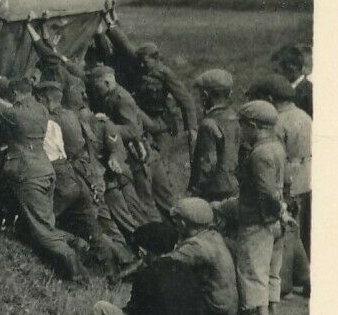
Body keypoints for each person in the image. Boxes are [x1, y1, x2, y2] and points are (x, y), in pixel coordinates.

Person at [0, 73, 82, 281]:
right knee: (43, 222)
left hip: (28, 174)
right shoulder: (40, 109)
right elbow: (6, 108)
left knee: (43, 232)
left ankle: (78, 273)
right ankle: (75, 242)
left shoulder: (18, 115)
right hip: (45, 170)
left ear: (16, 93)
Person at [49, 220, 205, 315]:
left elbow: (133, 313)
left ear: (143, 251)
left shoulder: (147, 274)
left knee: (101, 308)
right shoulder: (186, 270)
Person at [34, 79, 129, 274]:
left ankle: (123, 260)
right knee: (97, 224)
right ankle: (119, 262)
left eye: (38, 99)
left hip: (79, 175)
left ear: (46, 100)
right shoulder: (72, 115)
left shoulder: (53, 119)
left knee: (96, 223)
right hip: (90, 173)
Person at [106, 30, 197, 211]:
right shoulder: (140, 66)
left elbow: (186, 100)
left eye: (145, 61)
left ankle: (169, 205)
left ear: (155, 59)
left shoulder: (164, 73)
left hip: (161, 125)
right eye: (140, 61)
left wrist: (191, 128)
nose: (142, 65)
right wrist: (110, 27)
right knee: (143, 161)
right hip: (142, 122)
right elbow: (125, 45)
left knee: (161, 165)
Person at [223, 100, 290, 315]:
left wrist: (276, 212)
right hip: (275, 219)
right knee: (272, 269)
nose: (241, 130)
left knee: (253, 267)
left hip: (258, 219)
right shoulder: (277, 146)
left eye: (243, 125)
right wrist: (282, 212)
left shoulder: (260, 153)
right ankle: (273, 313)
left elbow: (266, 192)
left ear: (253, 125)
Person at [251, 73, 312, 295]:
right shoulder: (303, 116)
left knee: (285, 231)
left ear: (270, 98)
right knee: (299, 229)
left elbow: (275, 156)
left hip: (289, 179)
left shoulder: (277, 122)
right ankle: (304, 274)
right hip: (307, 176)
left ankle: (285, 280)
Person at [85, 64, 162, 225]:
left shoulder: (122, 99)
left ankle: (157, 232)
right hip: (123, 153)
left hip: (134, 155)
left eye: (97, 87)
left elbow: (132, 130)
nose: (95, 91)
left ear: (107, 83)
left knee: (144, 200)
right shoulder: (110, 95)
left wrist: (106, 126)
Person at [167, 197, 239, 315]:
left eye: (176, 223)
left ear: (183, 223)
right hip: (226, 309)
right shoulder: (213, 236)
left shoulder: (196, 246)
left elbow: (165, 264)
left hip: (215, 312)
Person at [188, 68, 241, 201]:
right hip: (235, 185)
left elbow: (208, 163)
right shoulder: (236, 118)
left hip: (215, 190)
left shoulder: (208, 124)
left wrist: (196, 191)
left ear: (205, 95)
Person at [270, 42, 313, 117]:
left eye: (277, 71)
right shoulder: (277, 90)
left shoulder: (310, 92)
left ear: (291, 69)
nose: (274, 75)